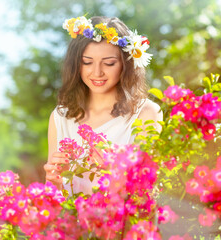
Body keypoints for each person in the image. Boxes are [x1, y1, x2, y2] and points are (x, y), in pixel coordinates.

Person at [44, 16, 163, 193]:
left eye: (109, 63)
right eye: (87, 62)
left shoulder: (145, 114)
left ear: (126, 64)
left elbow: (145, 193)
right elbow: (52, 199)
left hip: (121, 219)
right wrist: (54, 183)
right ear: (76, 65)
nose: (97, 72)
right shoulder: (60, 117)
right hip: (72, 220)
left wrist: (113, 173)